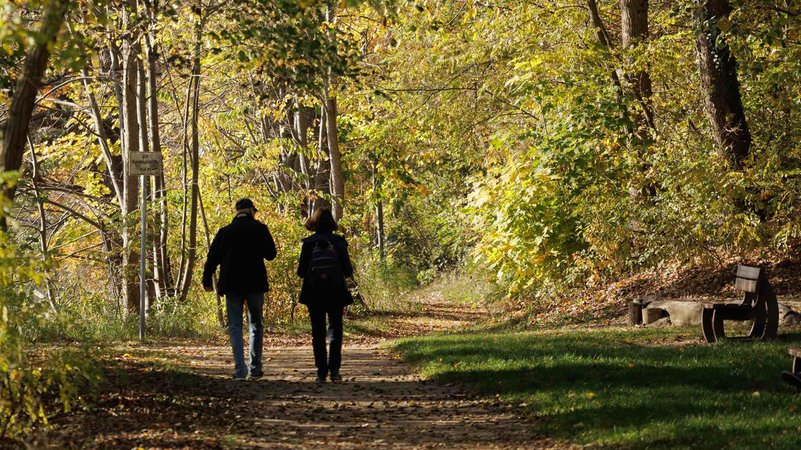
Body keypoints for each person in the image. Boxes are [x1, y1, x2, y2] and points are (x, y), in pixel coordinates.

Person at [202, 198, 277, 380]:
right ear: (251, 210)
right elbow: (271, 255)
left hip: (231, 284)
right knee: (256, 325)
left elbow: (212, 258)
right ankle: (255, 368)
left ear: (237, 211)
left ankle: (239, 369)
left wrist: (207, 280)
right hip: (255, 283)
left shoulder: (225, 232)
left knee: (235, 326)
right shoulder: (260, 229)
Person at [297, 207, 354, 383]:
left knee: (318, 331)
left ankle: (321, 371)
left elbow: (301, 272)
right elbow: (348, 270)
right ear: (331, 222)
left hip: (314, 292)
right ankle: (335, 370)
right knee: (335, 329)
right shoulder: (339, 242)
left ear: (314, 222)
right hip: (336, 291)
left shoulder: (308, 243)